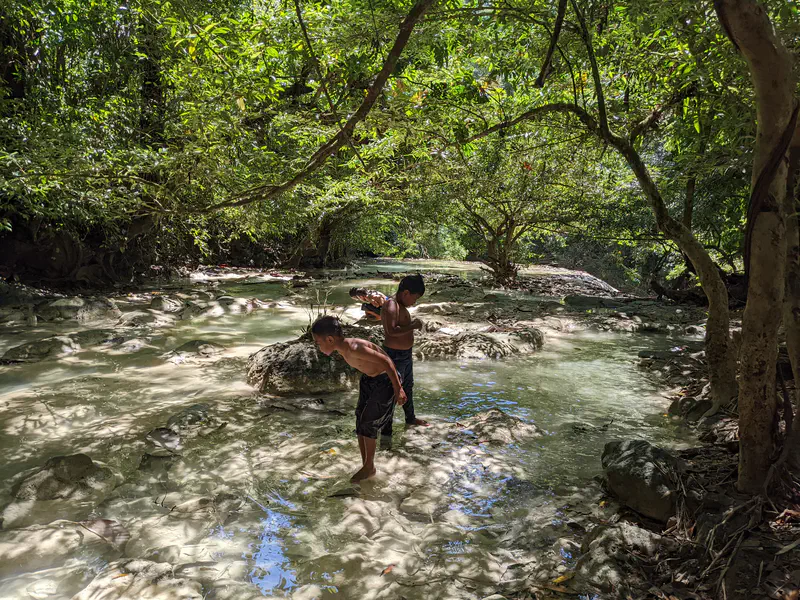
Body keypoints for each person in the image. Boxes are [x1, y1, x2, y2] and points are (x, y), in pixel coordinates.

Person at [311, 315, 407, 482]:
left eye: (318, 343)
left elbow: (386, 362)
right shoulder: (342, 348)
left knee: (369, 422)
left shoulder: (354, 347)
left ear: (330, 339)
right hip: (369, 379)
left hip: (385, 380)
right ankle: (366, 465)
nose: (318, 346)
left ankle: (369, 466)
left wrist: (398, 389)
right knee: (360, 419)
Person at [381, 274, 429, 434]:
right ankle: (386, 430)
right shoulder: (391, 305)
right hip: (394, 355)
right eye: (414, 299)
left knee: (407, 387)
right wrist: (413, 325)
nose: (414, 303)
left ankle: (410, 418)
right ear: (406, 293)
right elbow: (391, 331)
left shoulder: (399, 306)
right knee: (393, 392)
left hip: (405, 355)